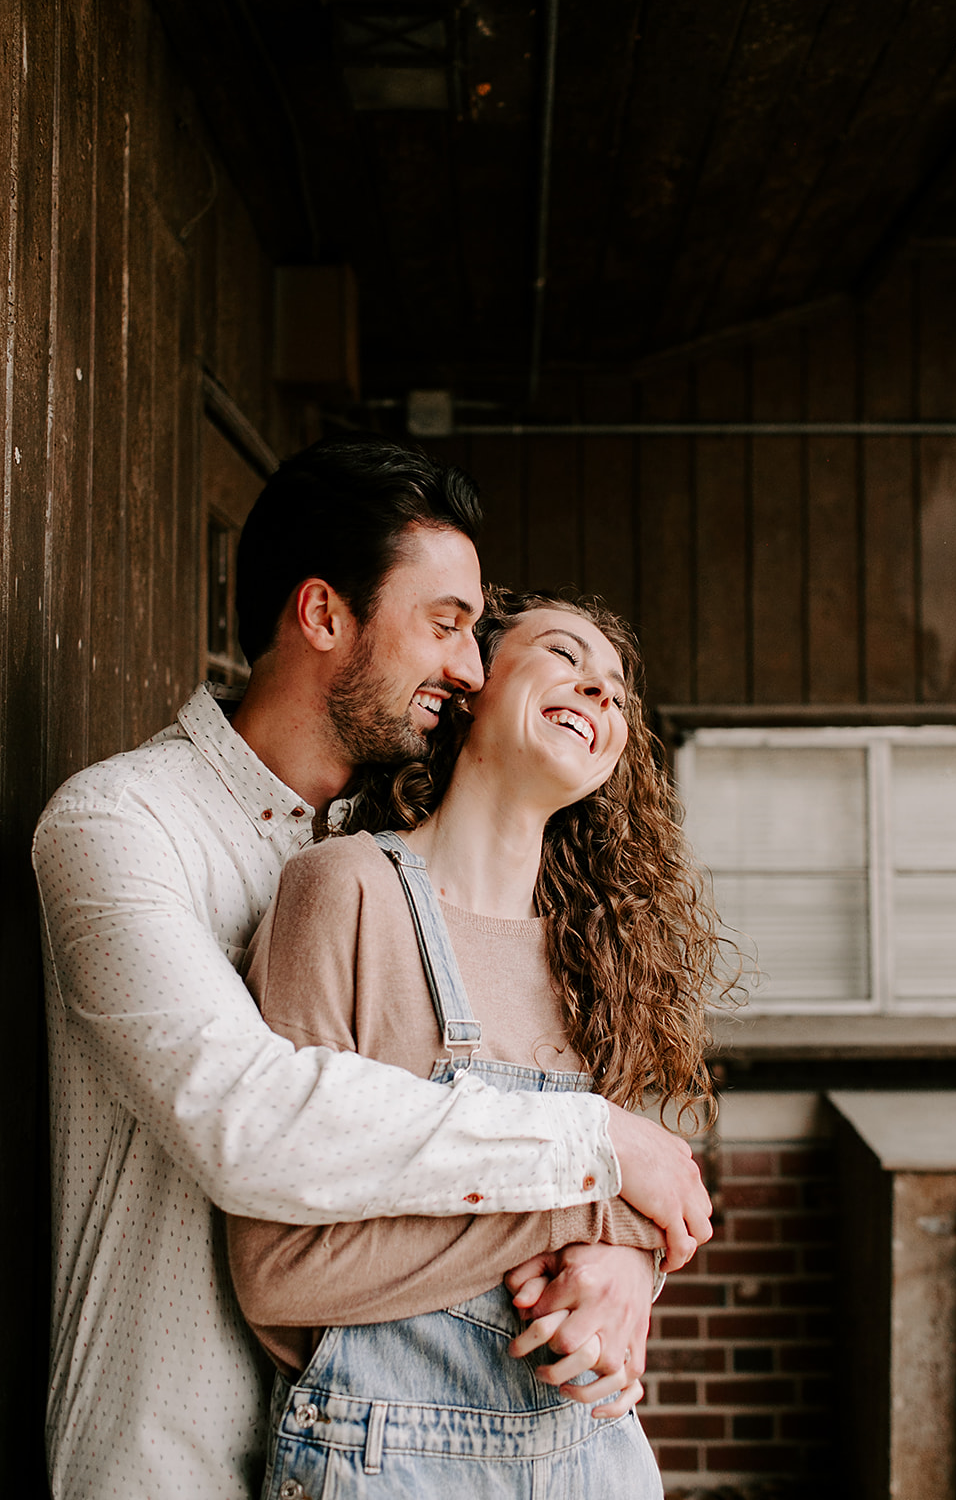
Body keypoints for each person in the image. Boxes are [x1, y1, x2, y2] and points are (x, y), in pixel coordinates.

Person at [33, 440, 713, 1500]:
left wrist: (619, 1251)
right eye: (444, 625)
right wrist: (592, 1163)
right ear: (322, 616)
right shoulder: (122, 824)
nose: (471, 667)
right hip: (180, 1455)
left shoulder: (405, 859)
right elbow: (246, 1119)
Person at [226, 588, 722, 1498]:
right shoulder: (345, 891)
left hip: (594, 1458)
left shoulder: (599, 958)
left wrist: (626, 1268)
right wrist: (589, 1208)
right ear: (468, 688)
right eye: (565, 657)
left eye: (615, 689)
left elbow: (647, 1212)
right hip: (389, 1462)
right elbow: (281, 1275)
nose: (600, 693)